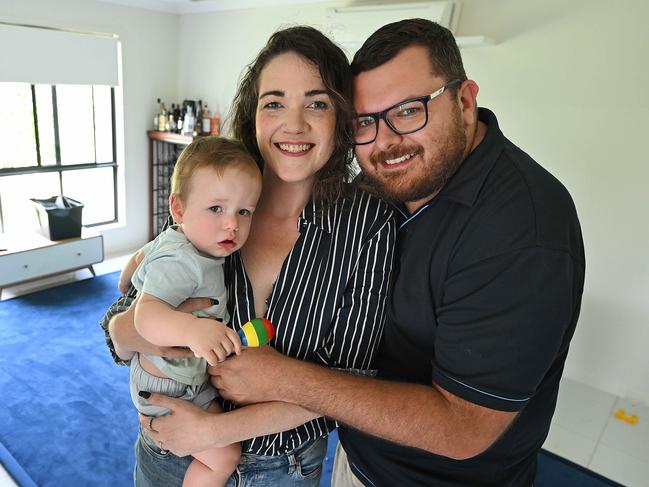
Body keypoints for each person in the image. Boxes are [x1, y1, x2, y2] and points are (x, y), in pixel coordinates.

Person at [202, 18, 586, 487]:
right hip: (356, 458)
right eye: (366, 120)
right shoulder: (382, 187)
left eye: (408, 110)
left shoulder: (523, 231)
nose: (385, 141)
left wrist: (279, 380)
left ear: (464, 102)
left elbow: (463, 429)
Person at [100, 26, 396, 487]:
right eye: (273, 102)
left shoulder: (368, 224)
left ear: (342, 117)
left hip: (286, 466)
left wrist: (217, 430)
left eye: (317, 103)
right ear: (252, 113)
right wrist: (134, 329)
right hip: (169, 446)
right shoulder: (215, 190)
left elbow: (352, 385)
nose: (293, 124)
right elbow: (121, 321)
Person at [118, 136, 261, 487]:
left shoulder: (176, 241)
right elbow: (145, 317)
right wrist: (193, 331)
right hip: (169, 386)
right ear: (178, 209)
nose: (232, 224)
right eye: (216, 209)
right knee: (224, 456)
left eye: (244, 211)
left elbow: (128, 277)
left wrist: (131, 279)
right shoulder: (183, 260)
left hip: (179, 376)